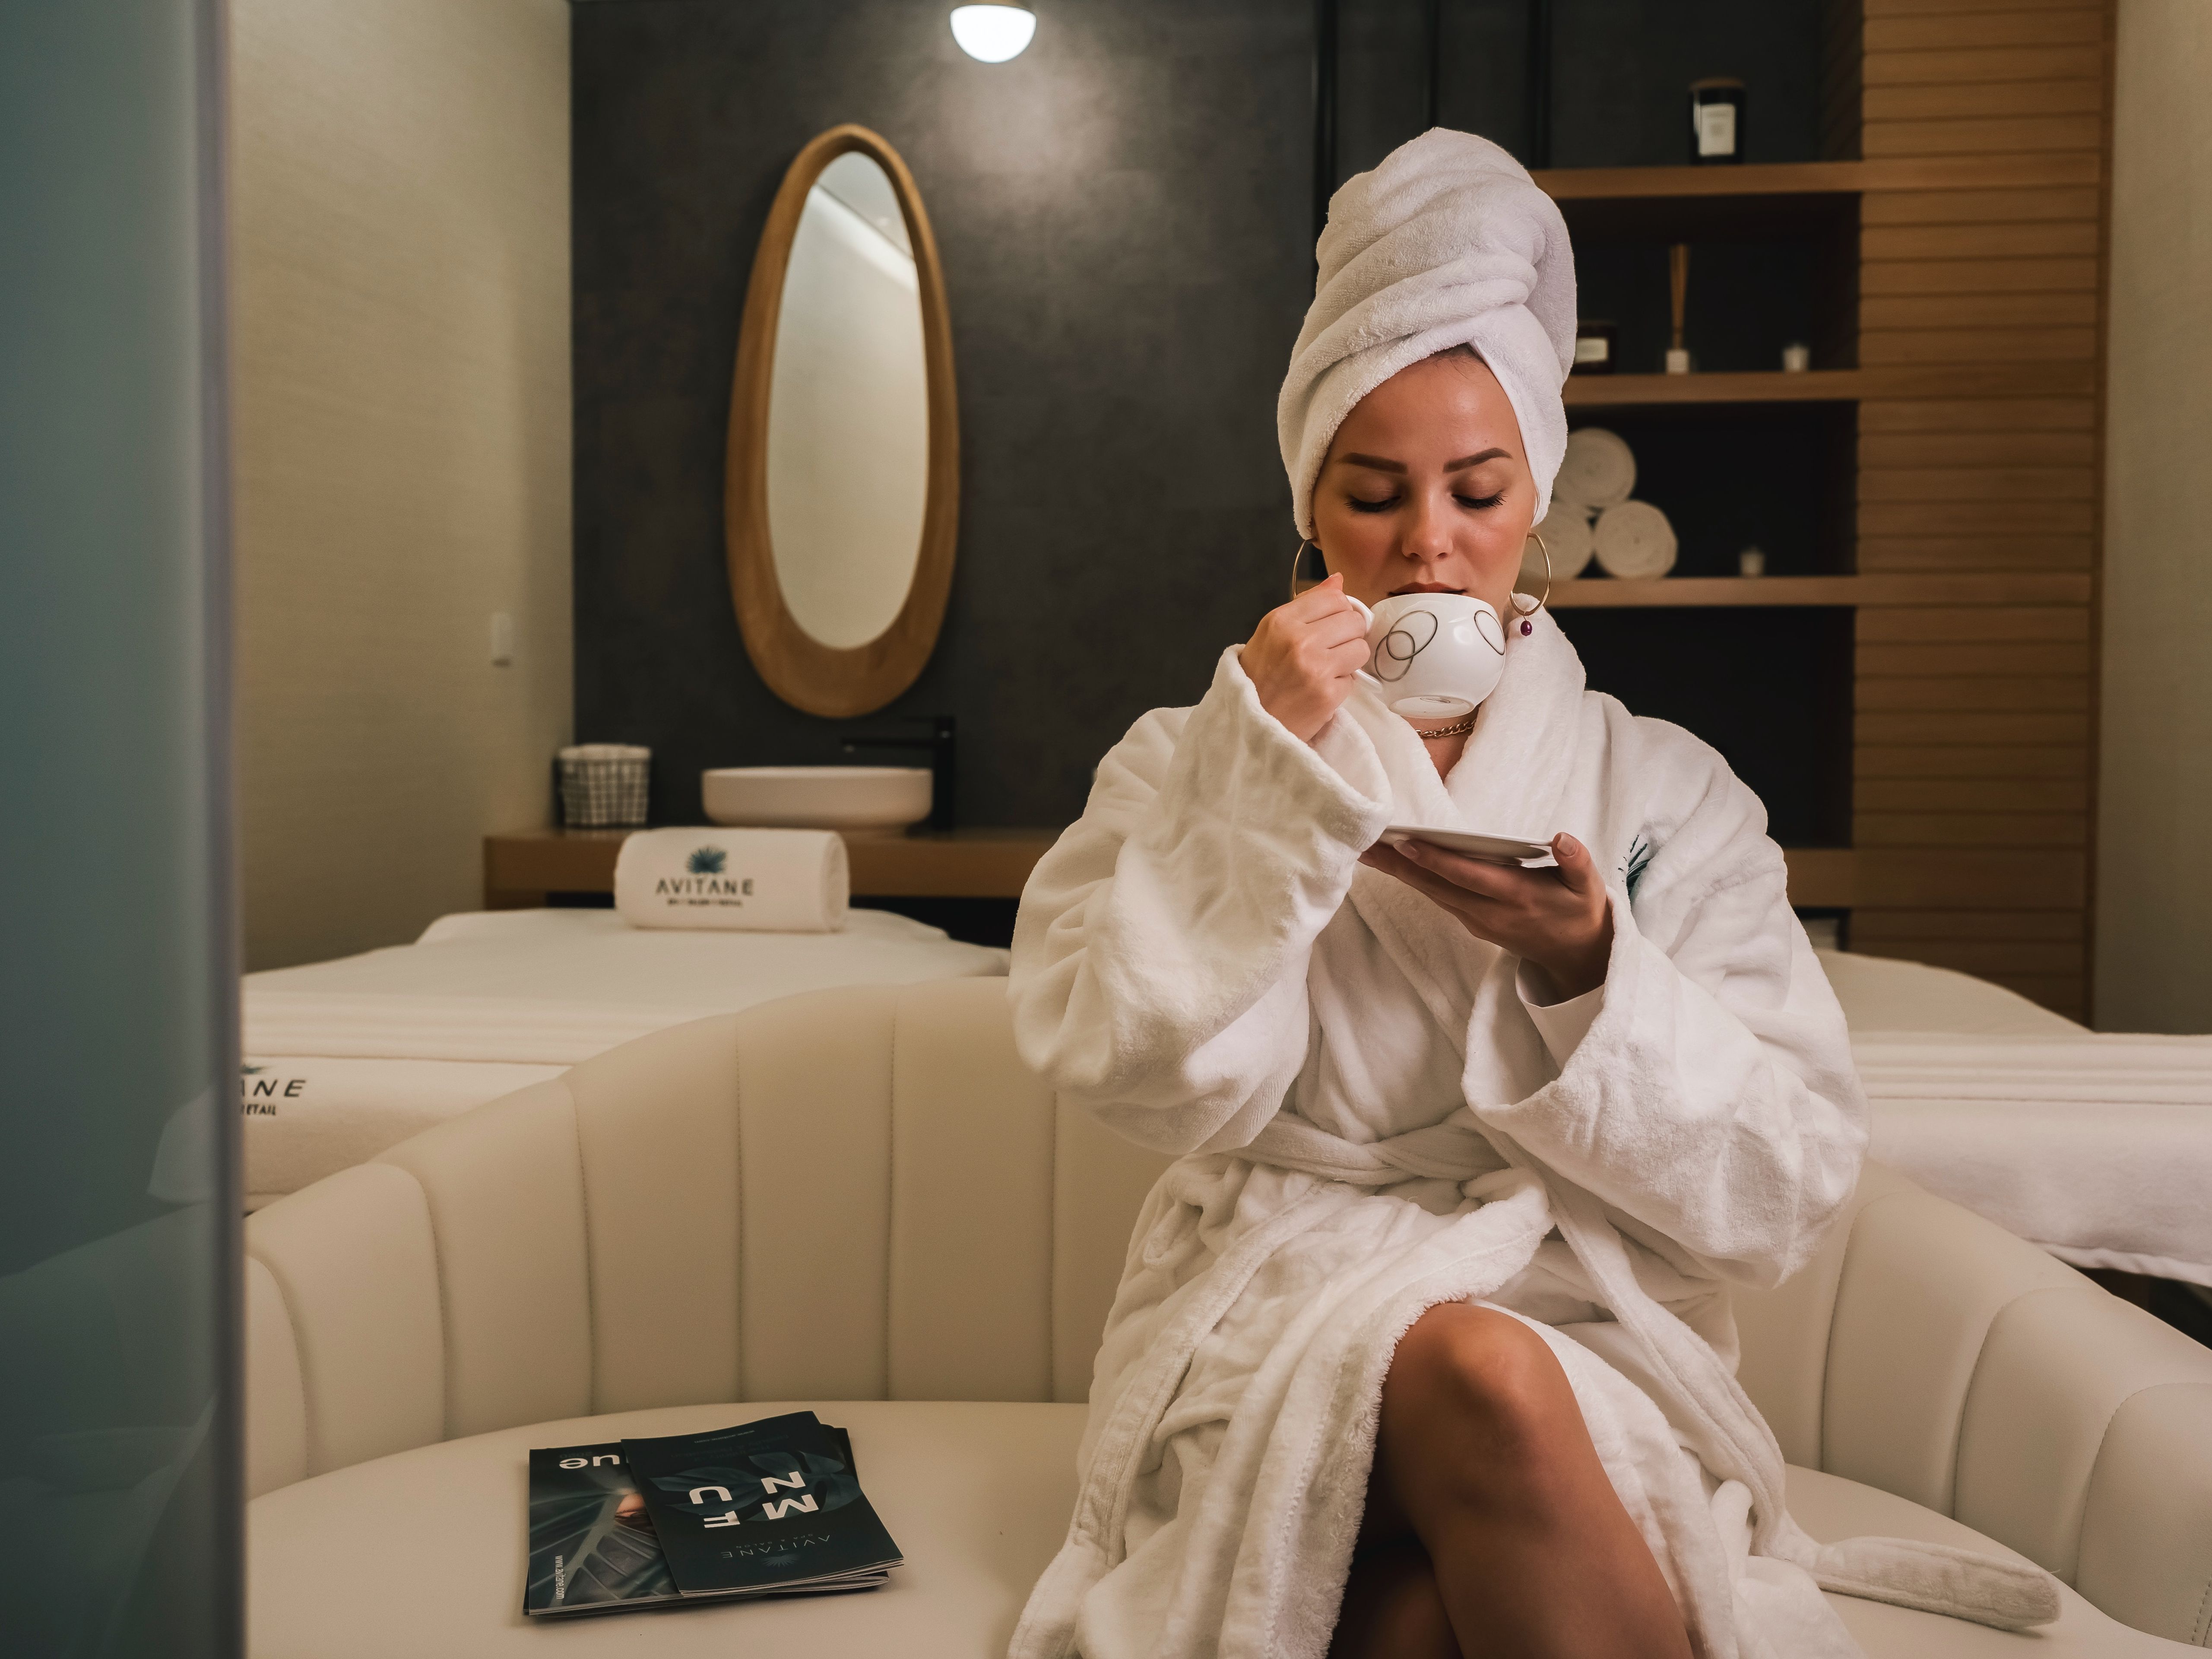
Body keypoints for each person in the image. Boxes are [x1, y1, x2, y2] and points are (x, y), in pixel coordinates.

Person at [1004, 132, 2057, 1659]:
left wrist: (1587, 977)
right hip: (1277, 1311)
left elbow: (1788, 1187)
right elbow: (1140, 1076)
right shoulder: (1192, 757)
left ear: (1535, 512)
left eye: (1474, 491)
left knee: (1433, 1595)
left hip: (1576, 1318)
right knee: (1470, 1386)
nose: (1426, 542)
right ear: (1310, 519)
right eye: (1371, 496)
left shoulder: (1666, 790)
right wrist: (1263, 779)